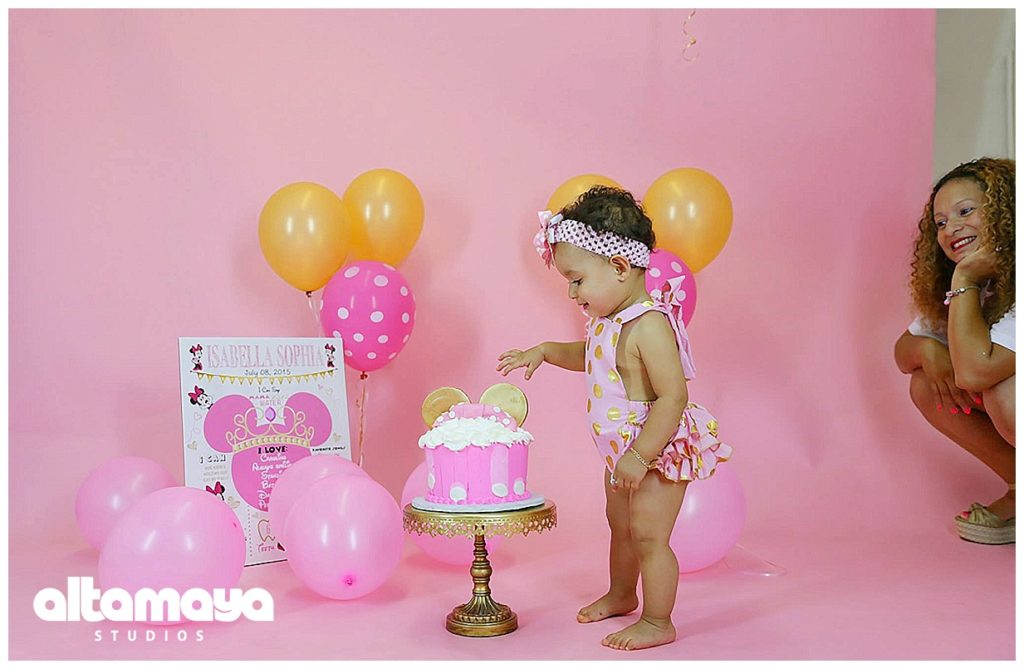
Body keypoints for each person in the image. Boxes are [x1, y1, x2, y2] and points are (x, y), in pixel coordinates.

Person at [496, 186, 732, 650]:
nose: (571, 292)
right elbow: (592, 356)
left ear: (620, 267)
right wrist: (545, 351)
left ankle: (658, 621)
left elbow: (673, 397)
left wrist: (640, 456)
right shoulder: (607, 321)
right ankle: (622, 593)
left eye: (577, 280)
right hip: (621, 453)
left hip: (656, 450)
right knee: (619, 526)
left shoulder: (649, 325)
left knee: (648, 535)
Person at [894, 157, 1016, 544]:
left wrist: (964, 276)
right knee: (926, 384)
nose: (951, 229)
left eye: (965, 212)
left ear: (1005, 212)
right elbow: (903, 352)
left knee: (1004, 390)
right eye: (941, 223)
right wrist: (929, 351)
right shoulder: (980, 282)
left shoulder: (971, 276)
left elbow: (977, 372)